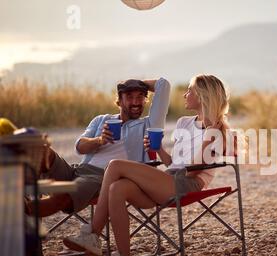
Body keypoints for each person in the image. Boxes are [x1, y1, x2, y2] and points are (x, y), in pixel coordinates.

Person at [63, 74, 233, 256]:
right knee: (118, 188)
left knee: (115, 165)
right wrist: (158, 149)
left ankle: (93, 233)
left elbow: (193, 170)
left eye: (190, 90)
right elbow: (173, 164)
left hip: (187, 185)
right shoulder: (184, 123)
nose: (185, 94)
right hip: (169, 180)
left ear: (203, 96)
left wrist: (209, 135)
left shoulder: (217, 131)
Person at [27, 78, 171, 217]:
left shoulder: (148, 125)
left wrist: (136, 83)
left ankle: (21, 209)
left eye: (140, 97)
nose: (136, 102)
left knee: (63, 197)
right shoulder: (101, 119)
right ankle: (17, 190)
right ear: (119, 101)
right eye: (129, 96)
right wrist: (100, 140)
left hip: (101, 178)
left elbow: (163, 85)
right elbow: (79, 147)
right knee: (40, 150)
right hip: (77, 170)